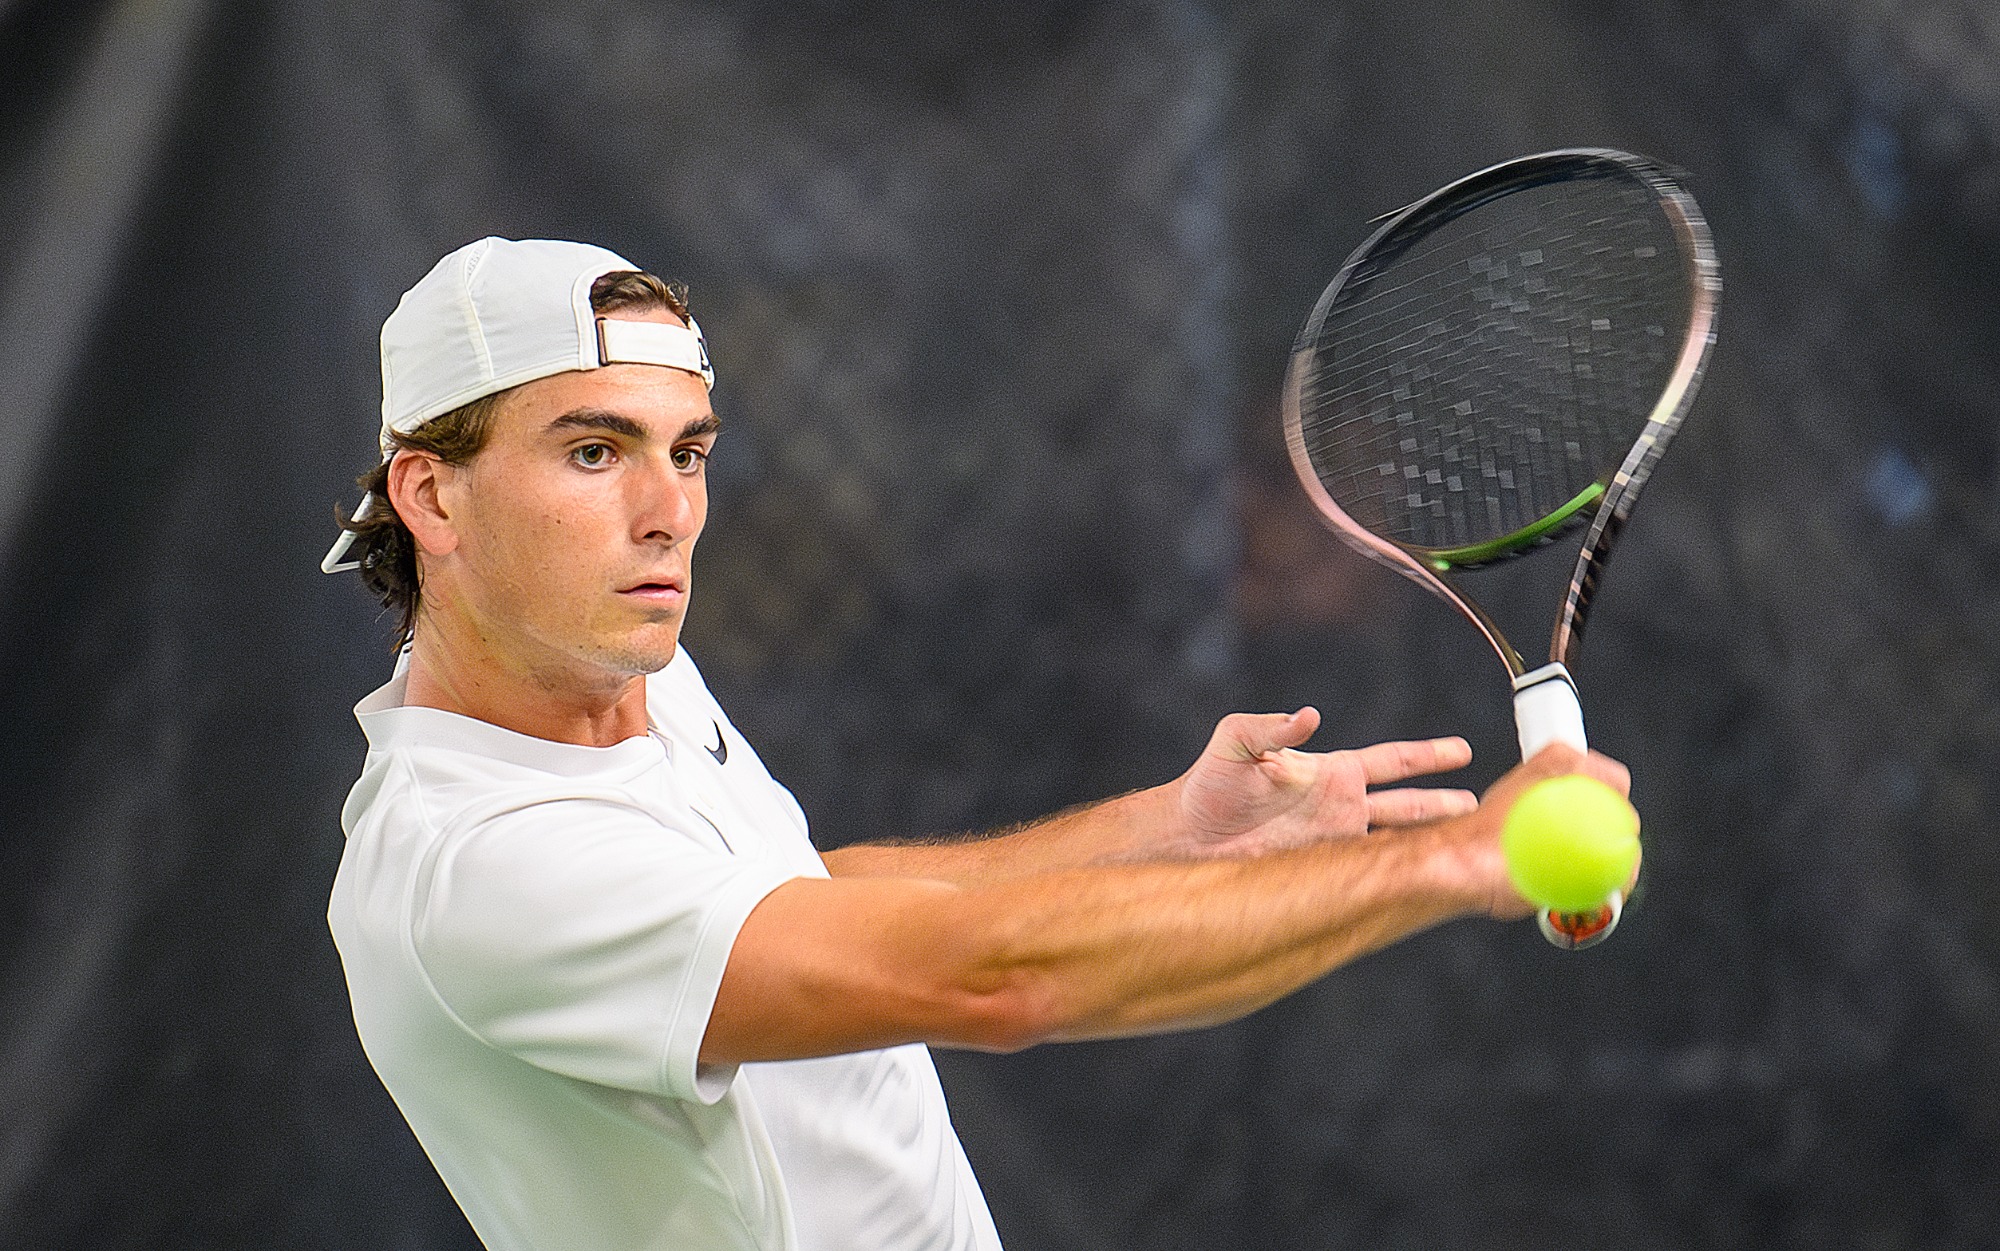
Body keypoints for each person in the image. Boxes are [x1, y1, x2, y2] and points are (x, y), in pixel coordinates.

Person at [323, 237, 1630, 1251]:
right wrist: (1462, 862)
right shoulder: (475, 864)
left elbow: (800, 909)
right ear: (432, 495)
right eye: (596, 453)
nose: (670, 512)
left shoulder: (616, 667)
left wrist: (1169, 833)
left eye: (690, 449)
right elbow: (988, 982)